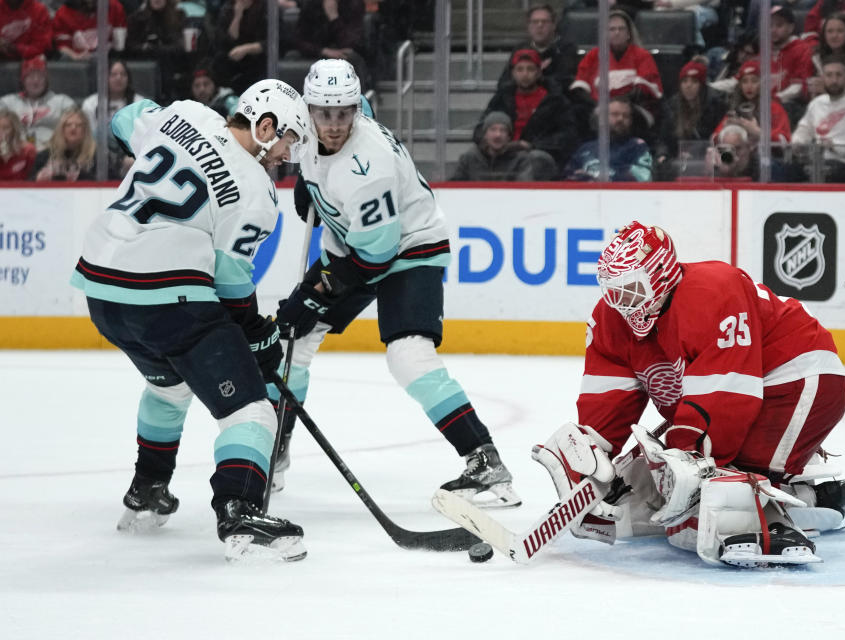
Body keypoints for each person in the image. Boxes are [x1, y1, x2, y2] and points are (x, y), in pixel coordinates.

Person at [69, 79, 315, 561]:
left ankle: (146, 495)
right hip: (167, 296)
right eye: (287, 141)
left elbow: (125, 120)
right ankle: (240, 513)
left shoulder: (183, 113)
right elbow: (228, 281)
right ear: (265, 126)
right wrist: (260, 339)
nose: (287, 156)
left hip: (102, 290)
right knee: (251, 409)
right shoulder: (256, 191)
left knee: (169, 387)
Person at [532, 222, 845, 567]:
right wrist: (592, 460)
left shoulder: (714, 290)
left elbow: (727, 396)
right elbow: (607, 403)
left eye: (630, 289)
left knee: (708, 485)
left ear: (660, 276)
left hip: (795, 378)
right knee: (650, 497)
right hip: (738, 398)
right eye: (612, 291)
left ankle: (771, 523)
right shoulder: (610, 320)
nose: (620, 302)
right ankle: (805, 495)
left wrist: (685, 456)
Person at [275, 58, 521, 508]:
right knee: (292, 341)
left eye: (344, 113)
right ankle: (273, 453)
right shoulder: (318, 123)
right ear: (308, 108)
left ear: (354, 111)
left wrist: (314, 294)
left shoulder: (369, 168)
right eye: (324, 113)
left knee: (408, 356)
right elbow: (327, 135)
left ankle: (485, 463)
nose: (333, 125)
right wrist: (312, 184)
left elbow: (374, 258)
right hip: (355, 244)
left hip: (407, 248)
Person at [478, 48, 578, 179]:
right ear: (512, 73)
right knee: (472, 155)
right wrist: (492, 144)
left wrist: (532, 146)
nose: (525, 74)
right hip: (503, 152)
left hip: (539, 156)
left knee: (535, 159)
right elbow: (482, 126)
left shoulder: (555, 100)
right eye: (520, 69)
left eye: (530, 69)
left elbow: (567, 136)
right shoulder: (502, 97)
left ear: (538, 72)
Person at [569, 9, 663, 140]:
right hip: (597, 106)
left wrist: (616, 104)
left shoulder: (642, 55)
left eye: (621, 29)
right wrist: (600, 106)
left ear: (628, 33)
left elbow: (644, 90)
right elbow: (580, 87)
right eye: (611, 29)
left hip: (632, 107)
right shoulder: (593, 56)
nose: (617, 32)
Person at [792, 53, 845, 179]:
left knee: (825, 170)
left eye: (838, 75)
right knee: (787, 169)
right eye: (829, 75)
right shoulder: (817, 103)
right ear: (822, 77)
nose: (834, 80)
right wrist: (797, 143)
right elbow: (803, 131)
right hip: (815, 161)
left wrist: (834, 146)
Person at [656, 59, 727, 170]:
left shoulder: (716, 106)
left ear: (702, 85)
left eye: (694, 81)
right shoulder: (672, 106)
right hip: (677, 160)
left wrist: (695, 153)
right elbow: (663, 139)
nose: (688, 86)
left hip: (708, 160)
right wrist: (662, 155)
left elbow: (717, 139)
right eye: (684, 81)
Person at [563, 95, 653, 182]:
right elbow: (567, 177)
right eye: (615, 114)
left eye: (626, 116)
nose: (620, 119)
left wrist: (601, 178)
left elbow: (643, 177)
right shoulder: (585, 149)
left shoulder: (637, 146)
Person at [81, 59, 145, 178]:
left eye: (123, 74)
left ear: (128, 78)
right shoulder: (90, 103)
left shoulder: (139, 104)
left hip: (129, 153)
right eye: (113, 74)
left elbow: (142, 138)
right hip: (98, 153)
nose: (118, 78)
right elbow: (89, 138)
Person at [496, 3, 579, 92]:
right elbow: (503, 83)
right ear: (528, 26)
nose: (539, 26)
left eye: (545, 22)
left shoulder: (566, 49)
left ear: (554, 25)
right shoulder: (520, 49)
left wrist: (534, 76)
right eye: (535, 22)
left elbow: (564, 84)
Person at [0, 56, 75, 151]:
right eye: (30, 76)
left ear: (46, 80)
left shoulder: (63, 102)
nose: (35, 81)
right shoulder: (7, 103)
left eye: (40, 76)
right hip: (16, 154)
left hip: (53, 153)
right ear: (23, 81)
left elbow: (76, 130)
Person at [294, 0, 371, 90]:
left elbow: (349, 43)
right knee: (291, 57)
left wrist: (333, 17)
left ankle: (354, 99)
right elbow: (299, 41)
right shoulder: (311, 4)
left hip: (342, 53)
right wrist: (323, 51)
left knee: (351, 58)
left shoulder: (354, 4)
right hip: (317, 51)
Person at [712, 59, 792, 145]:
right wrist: (725, 129)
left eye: (754, 81)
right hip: (740, 155)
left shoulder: (774, 108)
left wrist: (758, 132)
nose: (749, 86)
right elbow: (713, 139)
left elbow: (785, 141)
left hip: (769, 157)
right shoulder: (736, 109)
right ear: (740, 85)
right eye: (745, 81)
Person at [452, 110, 541, 182]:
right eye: (493, 129)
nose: (498, 135)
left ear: (509, 137)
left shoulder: (521, 160)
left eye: (503, 130)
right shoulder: (469, 158)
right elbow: (453, 188)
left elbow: (524, 191)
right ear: (485, 135)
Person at [212, 0, 266, 94]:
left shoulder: (265, 7)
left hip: (259, 62)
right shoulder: (228, 8)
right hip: (235, 64)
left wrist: (247, 49)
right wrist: (237, 16)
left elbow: (274, 41)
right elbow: (227, 41)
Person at [32, 105, 95, 180]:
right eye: (68, 125)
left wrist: (80, 177)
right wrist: (38, 178)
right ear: (61, 129)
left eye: (79, 125)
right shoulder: (46, 155)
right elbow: (26, 184)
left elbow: (107, 183)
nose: (73, 128)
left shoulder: (96, 156)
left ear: (85, 130)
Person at [52, 0, 127, 61]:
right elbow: (61, 45)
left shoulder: (115, 7)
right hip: (77, 65)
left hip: (109, 63)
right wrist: (75, 56)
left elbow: (119, 47)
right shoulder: (63, 13)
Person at [0, 106, 36, 179]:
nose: (1, 132)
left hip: (21, 189)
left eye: (6, 128)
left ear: (14, 130)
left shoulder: (28, 150)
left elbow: (32, 178)